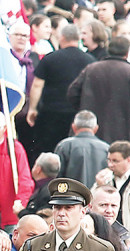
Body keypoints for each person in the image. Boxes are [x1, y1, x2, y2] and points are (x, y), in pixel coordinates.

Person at [25, 24, 94, 162]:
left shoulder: (50, 58)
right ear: (78, 38)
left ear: (62, 38)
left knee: (49, 151)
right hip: (78, 114)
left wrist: (32, 109)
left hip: (51, 114)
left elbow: (37, 85)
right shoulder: (90, 61)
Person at [67, 36, 130, 145]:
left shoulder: (91, 69)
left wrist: (84, 107)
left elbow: (72, 93)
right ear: (127, 53)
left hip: (92, 127)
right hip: (121, 130)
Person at [93, 141, 130, 240]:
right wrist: (98, 185)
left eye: (115, 161)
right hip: (106, 236)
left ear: (128, 160)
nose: (110, 165)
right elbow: (91, 205)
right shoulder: (105, 178)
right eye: (109, 160)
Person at [54, 111, 110, 186]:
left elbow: (56, 176)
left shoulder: (64, 146)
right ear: (96, 128)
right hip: (98, 196)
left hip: (71, 195)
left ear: (73, 127)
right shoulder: (106, 148)